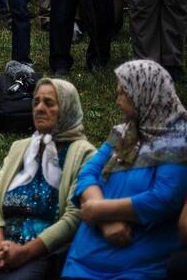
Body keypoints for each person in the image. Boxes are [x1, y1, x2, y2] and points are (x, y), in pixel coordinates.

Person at [0, 78, 97, 279]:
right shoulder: (21, 147)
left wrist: (24, 253)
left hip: (42, 251)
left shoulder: (84, 154)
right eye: (36, 102)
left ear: (67, 108)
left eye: (49, 103)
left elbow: (73, 217)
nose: (39, 108)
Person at [61, 60, 187, 279]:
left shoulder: (178, 141)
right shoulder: (123, 133)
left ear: (145, 96)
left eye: (123, 94)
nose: (117, 101)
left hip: (135, 266)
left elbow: (165, 198)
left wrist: (99, 211)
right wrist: (105, 220)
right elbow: (87, 173)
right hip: (82, 259)